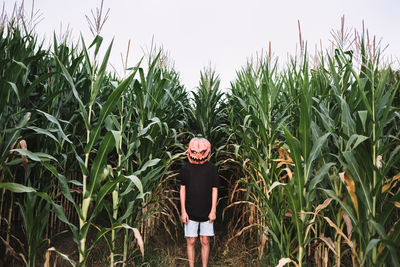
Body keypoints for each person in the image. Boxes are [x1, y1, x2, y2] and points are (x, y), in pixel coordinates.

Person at [179, 137, 219, 267]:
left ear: (207, 152)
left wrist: (213, 210)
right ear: (189, 151)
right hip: (190, 211)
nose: (198, 156)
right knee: (191, 240)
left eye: (202, 152)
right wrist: (183, 211)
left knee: (205, 240)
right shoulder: (185, 168)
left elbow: (214, 189)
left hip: (207, 210)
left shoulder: (212, 168)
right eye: (194, 152)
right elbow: (183, 189)